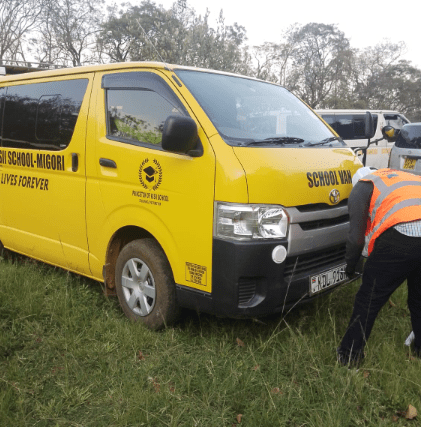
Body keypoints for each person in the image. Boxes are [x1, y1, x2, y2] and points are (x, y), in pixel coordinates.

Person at [337, 167, 421, 366]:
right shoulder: (402, 176)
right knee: (419, 298)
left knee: (368, 298)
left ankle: (349, 356)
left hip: (403, 234)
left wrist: (350, 267)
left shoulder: (362, 186)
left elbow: (356, 240)